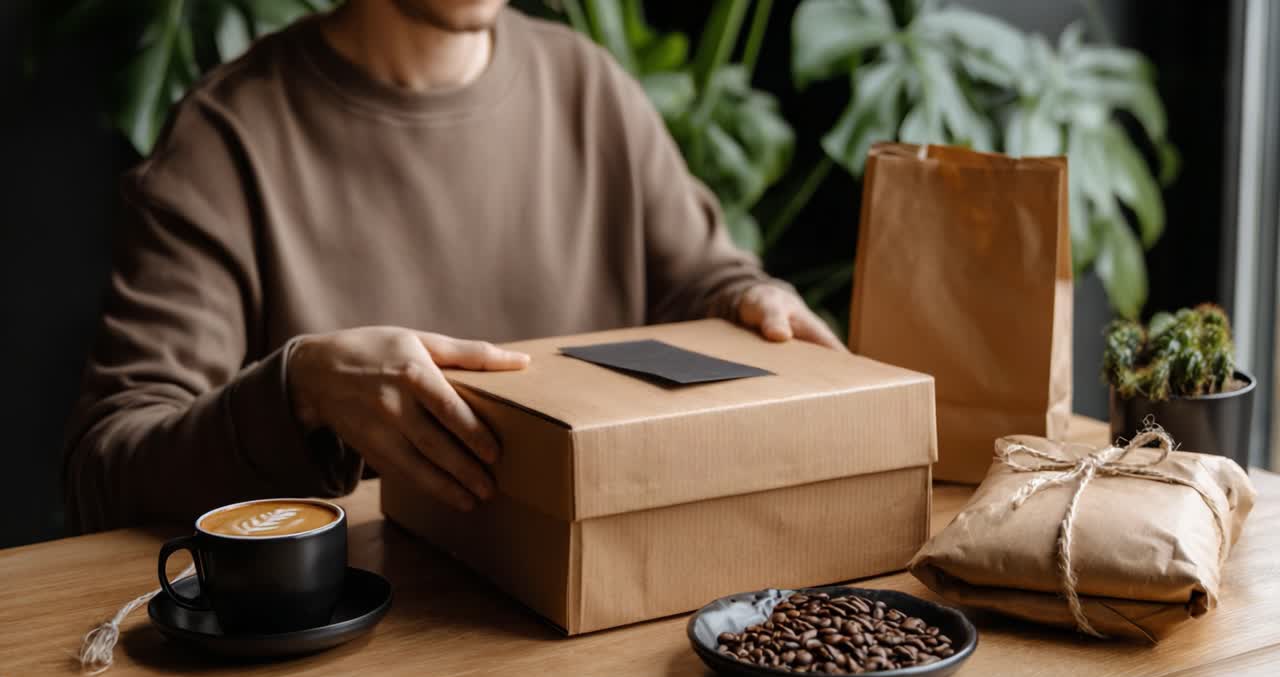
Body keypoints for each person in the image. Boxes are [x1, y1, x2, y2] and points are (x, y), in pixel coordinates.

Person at [62, 0, 844, 533]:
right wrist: (299, 391)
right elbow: (107, 467)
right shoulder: (225, 139)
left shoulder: (587, 85)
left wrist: (750, 299)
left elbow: (705, 279)